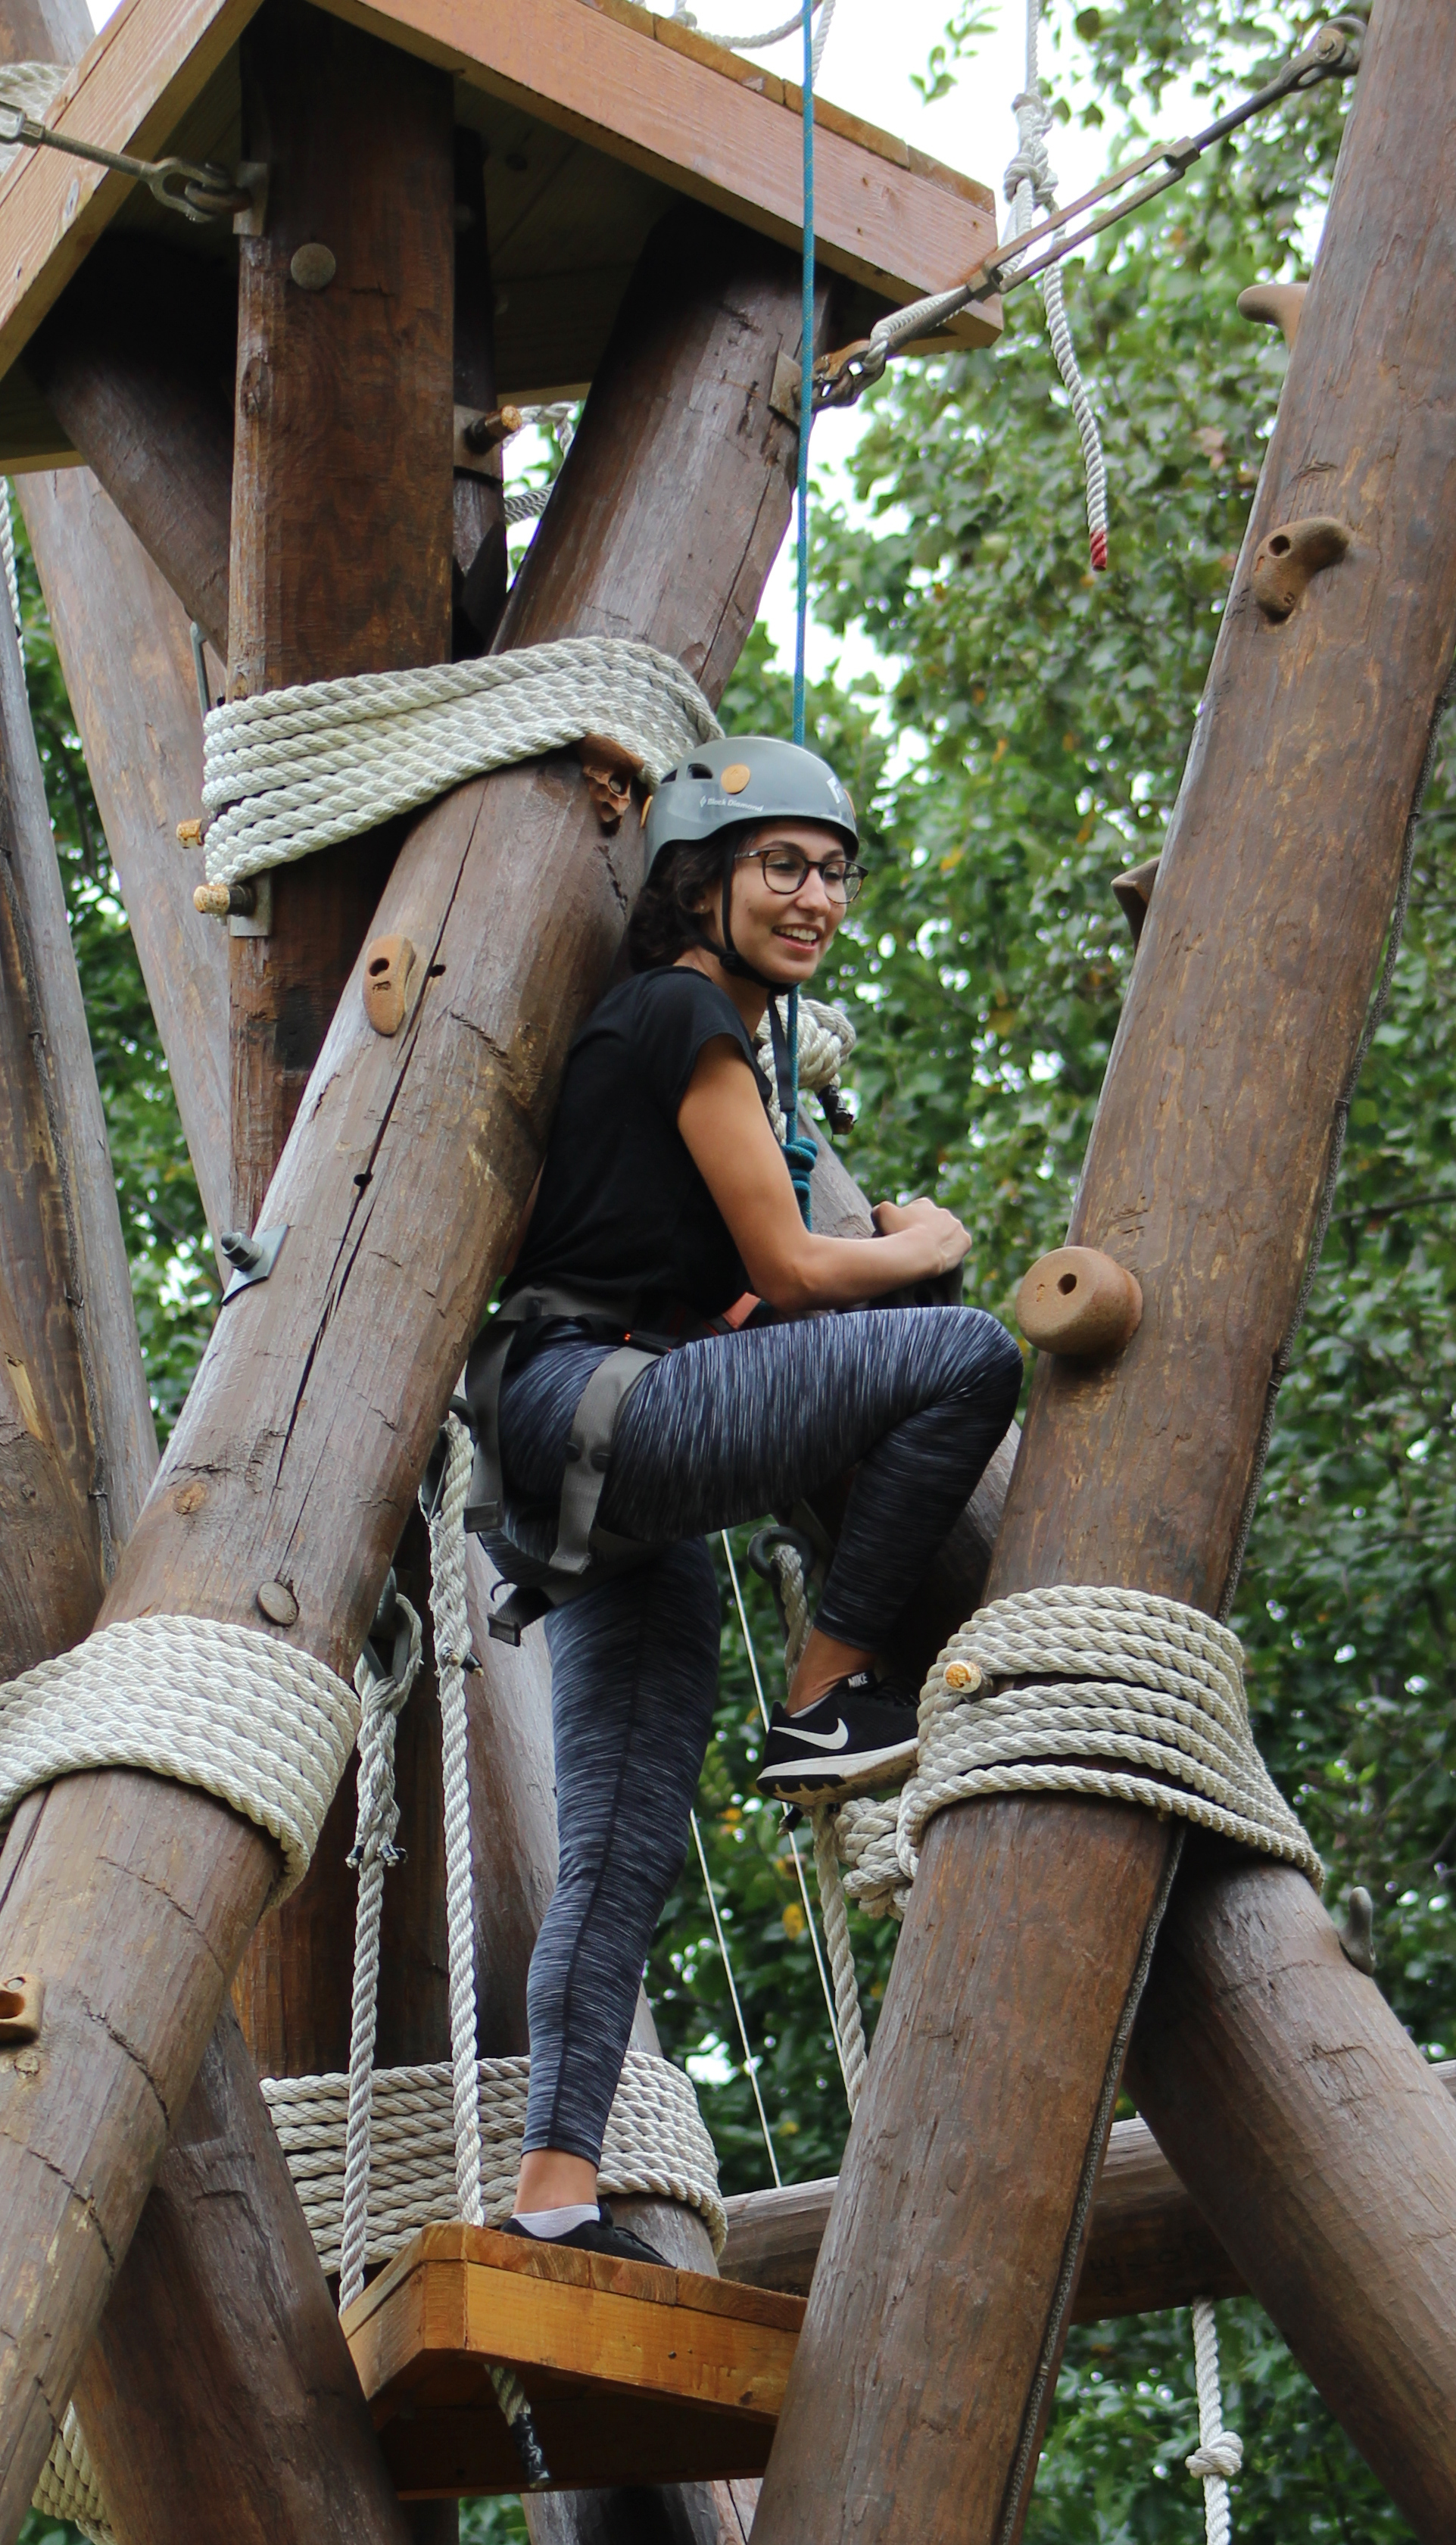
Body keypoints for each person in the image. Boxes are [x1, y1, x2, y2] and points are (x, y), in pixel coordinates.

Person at [463, 734, 1021, 2270]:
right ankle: (830, 1696)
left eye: (836, 872)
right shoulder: (684, 1008)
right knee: (970, 1354)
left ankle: (556, 2193)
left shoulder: (728, 1047)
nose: (816, 897)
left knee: (624, 1837)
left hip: (595, 1461)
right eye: (783, 865)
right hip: (600, 1404)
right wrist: (926, 1244)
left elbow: (745, 1293)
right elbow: (793, 1267)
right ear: (699, 881)